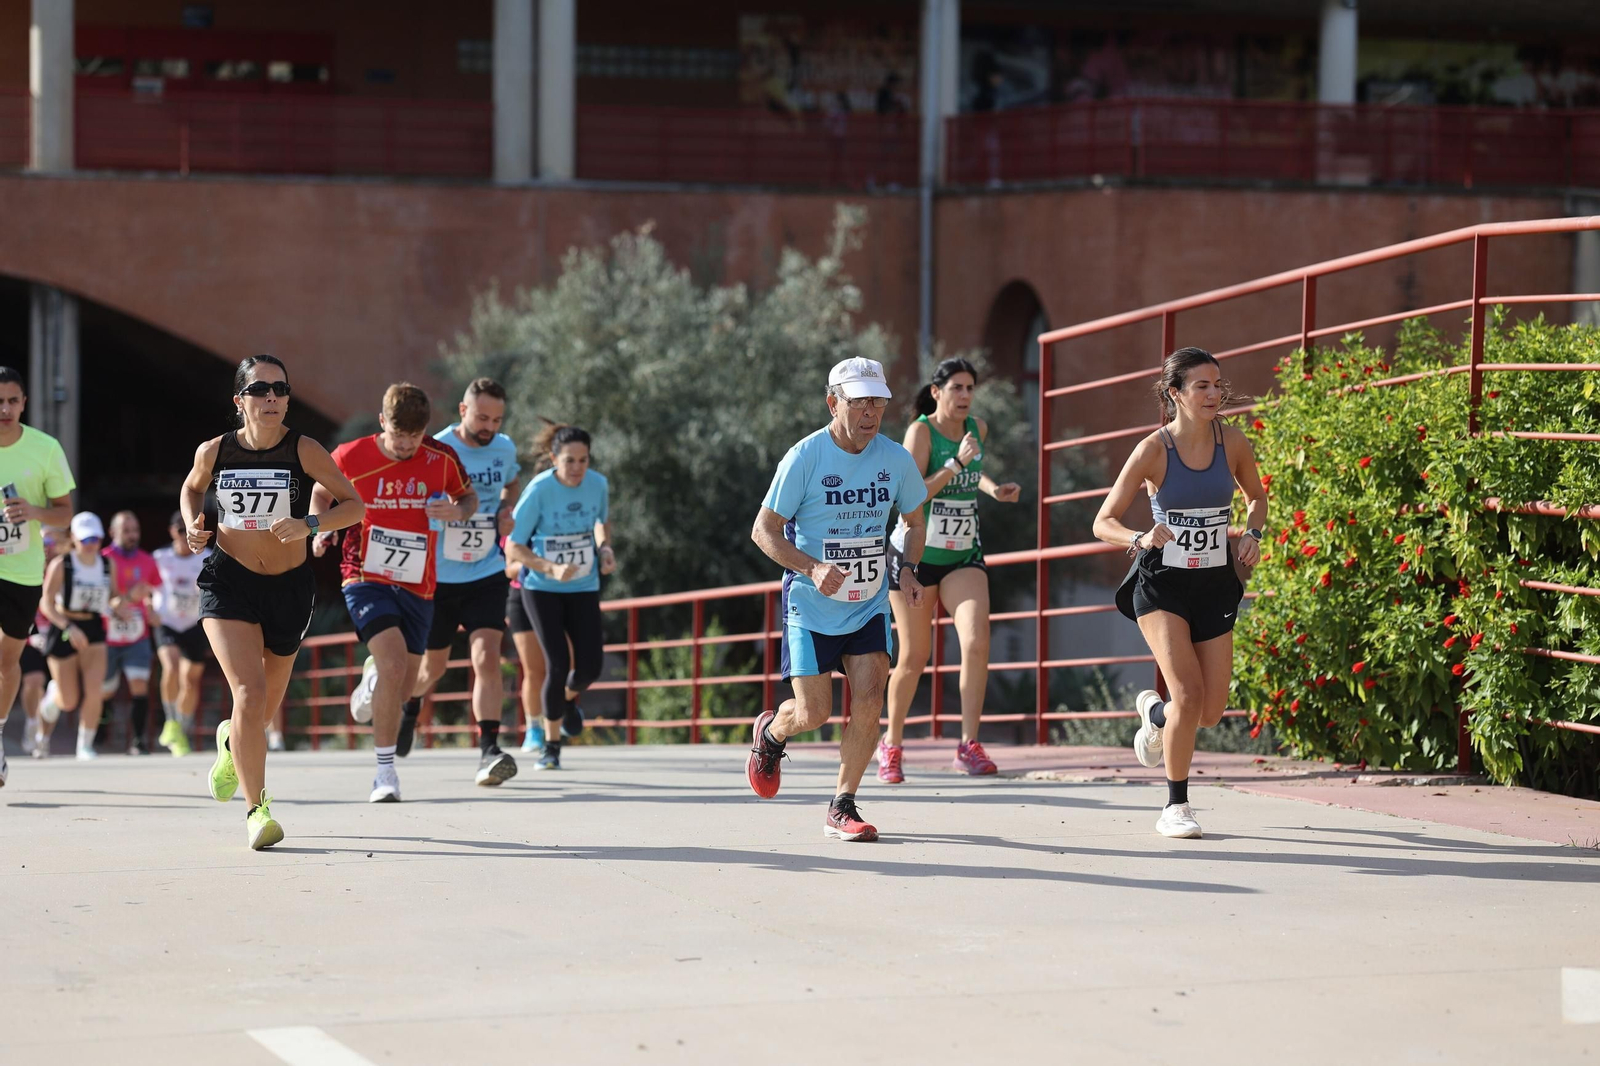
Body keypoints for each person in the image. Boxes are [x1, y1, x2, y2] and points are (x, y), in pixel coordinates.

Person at [184, 354, 364, 850]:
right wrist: (192, 524)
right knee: (248, 693)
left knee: (261, 712)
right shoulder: (214, 451)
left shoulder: (304, 450)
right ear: (240, 400)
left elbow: (354, 506)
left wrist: (309, 524)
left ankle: (230, 743)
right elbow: (191, 488)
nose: (272, 399)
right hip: (228, 583)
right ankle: (256, 810)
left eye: (280, 390)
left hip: (289, 589)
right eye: (261, 390)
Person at [745, 357, 928, 841]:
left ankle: (842, 804)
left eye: (879, 403)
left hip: (867, 603)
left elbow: (913, 521)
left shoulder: (895, 459)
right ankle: (772, 732)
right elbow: (764, 531)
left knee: (870, 697)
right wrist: (812, 566)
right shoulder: (804, 458)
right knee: (814, 713)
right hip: (811, 605)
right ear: (833, 403)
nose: (871, 413)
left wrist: (907, 568)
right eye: (859, 402)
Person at [1093, 347, 1266, 840]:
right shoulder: (1153, 449)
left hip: (1214, 583)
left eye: (1218, 385)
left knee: (1207, 712)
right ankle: (1176, 805)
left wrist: (1253, 532)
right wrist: (1140, 538)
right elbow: (1102, 521)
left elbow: (1257, 497)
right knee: (1188, 693)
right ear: (1176, 394)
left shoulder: (1232, 442)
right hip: (1161, 583)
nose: (1214, 394)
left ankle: (1155, 715)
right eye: (1202, 386)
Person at [315, 383, 474, 802]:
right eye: (398, 436)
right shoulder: (351, 456)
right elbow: (320, 492)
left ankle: (372, 686)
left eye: (415, 438)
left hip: (419, 583)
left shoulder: (441, 458)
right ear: (383, 422)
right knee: (391, 661)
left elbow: (469, 497)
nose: (406, 446)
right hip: (364, 575)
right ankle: (385, 774)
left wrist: (456, 511)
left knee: (403, 682)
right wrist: (322, 529)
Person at [880, 357, 1021, 782]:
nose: (964, 396)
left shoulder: (978, 428)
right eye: (956, 388)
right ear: (937, 391)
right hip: (914, 559)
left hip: (963, 555)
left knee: (977, 641)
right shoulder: (920, 432)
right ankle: (892, 744)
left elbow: (972, 471)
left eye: (969, 388)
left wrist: (993, 487)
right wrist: (957, 464)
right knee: (914, 656)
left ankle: (968, 745)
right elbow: (912, 495)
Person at [399, 378, 521, 787]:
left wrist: (506, 508)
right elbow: (410, 497)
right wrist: (441, 512)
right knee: (432, 667)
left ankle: (489, 750)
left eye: (497, 419)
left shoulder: (504, 447)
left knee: (487, 656)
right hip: (439, 576)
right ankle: (411, 702)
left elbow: (511, 481)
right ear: (463, 410)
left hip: (486, 570)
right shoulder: (434, 447)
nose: (489, 426)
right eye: (482, 417)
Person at [505, 423, 613, 771]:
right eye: (569, 461)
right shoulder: (539, 490)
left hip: (583, 586)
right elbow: (514, 546)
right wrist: (549, 568)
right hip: (543, 589)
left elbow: (601, 521)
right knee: (556, 665)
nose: (577, 468)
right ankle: (551, 746)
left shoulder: (598, 484)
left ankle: (565, 702)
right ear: (554, 459)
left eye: (583, 460)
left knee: (591, 666)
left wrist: (605, 548)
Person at [0, 366, 76, 787]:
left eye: (12, 400)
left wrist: (32, 512)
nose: (5, 409)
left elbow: (65, 511)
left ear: (24, 403)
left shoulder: (45, 448)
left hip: (24, 572)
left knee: (7, 661)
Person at [39, 512, 112, 760]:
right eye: (85, 539)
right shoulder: (63, 564)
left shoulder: (106, 564)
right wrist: (68, 626)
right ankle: (53, 696)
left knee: (95, 690)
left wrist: (121, 604)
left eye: (96, 539)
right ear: (74, 539)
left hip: (93, 627)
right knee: (68, 700)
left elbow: (112, 596)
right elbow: (46, 603)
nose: (91, 544)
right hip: (64, 627)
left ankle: (85, 744)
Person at [152, 509, 211, 757]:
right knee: (172, 667)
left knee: (190, 680)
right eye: (178, 531)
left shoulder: (207, 557)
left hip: (195, 624)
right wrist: (147, 607)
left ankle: (181, 730)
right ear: (171, 532)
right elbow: (144, 583)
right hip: (167, 622)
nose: (182, 536)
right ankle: (170, 720)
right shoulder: (159, 557)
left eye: (187, 531)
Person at [101, 511, 161, 755]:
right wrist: (124, 600)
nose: (132, 535)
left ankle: (138, 740)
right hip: (107, 635)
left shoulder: (148, 561)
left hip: (138, 635)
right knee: (105, 689)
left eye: (135, 530)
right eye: (126, 530)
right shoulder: (102, 559)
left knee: (139, 685)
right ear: (112, 532)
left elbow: (157, 592)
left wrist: (152, 607)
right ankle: (98, 734)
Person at [21, 527, 67, 758]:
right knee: (33, 680)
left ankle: (44, 737)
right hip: (31, 633)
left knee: (57, 689)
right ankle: (31, 722)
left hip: (58, 634)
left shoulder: (66, 567)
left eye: (54, 542)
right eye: (45, 542)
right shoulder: (27, 565)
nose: (49, 548)